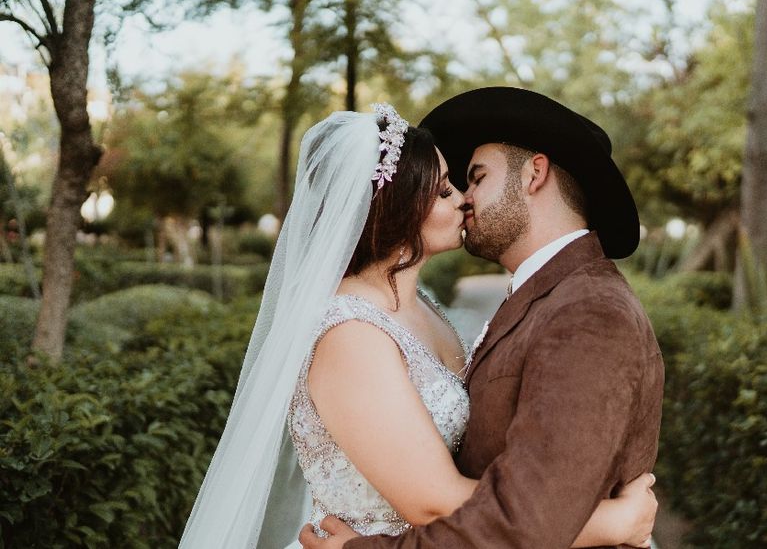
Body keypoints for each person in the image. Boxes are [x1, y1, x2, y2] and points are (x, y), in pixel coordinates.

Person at [178, 103, 657, 549]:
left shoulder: (429, 310)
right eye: (446, 188)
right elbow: (434, 500)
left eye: (468, 181)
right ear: (402, 205)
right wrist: (612, 522)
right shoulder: (351, 334)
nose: (463, 200)